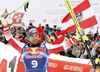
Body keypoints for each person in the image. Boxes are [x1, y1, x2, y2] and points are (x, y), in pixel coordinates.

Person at [2, 14, 76, 72]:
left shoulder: (46, 48)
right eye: (32, 36)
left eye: (36, 35)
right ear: (27, 38)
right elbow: (9, 38)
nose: (35, 38)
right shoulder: (22, 48)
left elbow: (64, 46)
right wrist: (5, 23)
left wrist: (76, 37)